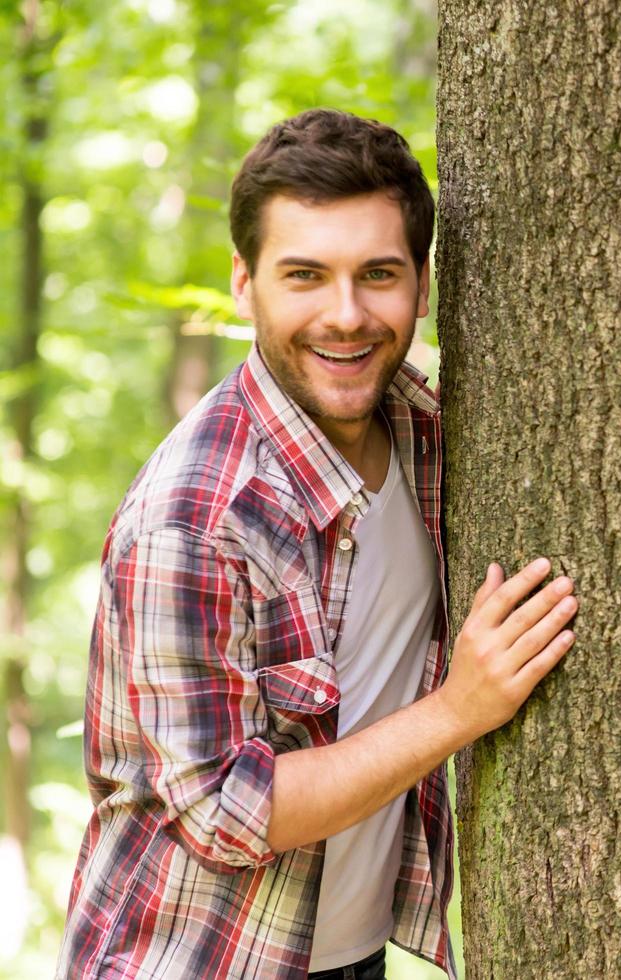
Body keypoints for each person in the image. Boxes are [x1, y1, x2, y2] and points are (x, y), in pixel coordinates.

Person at [58, 108, 577, 980]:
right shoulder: (195, 520)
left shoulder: (427, 429)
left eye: (378, 274)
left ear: (421, 279)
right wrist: (460, 710)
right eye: (304, 275)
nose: (346, 316)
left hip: (347, 953)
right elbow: (225, 812)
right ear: (244, 281)